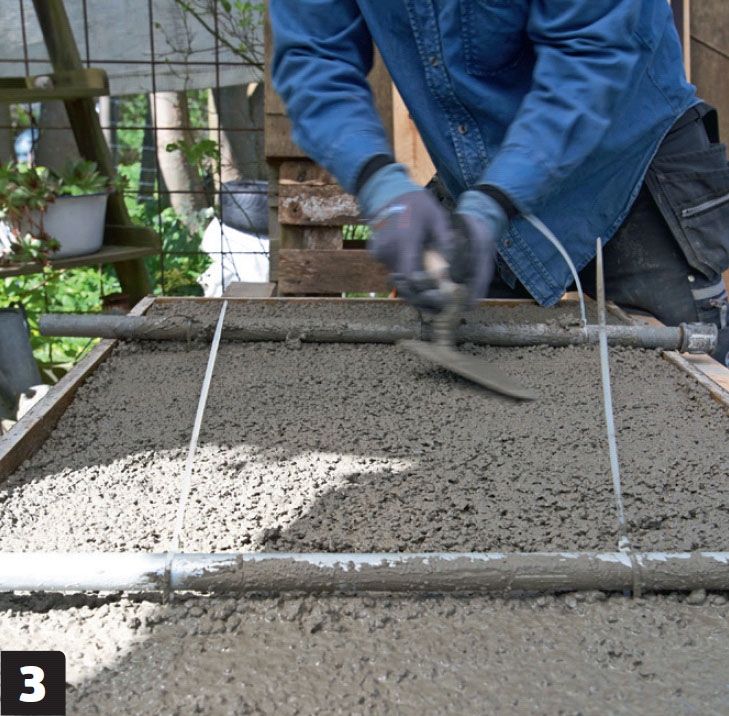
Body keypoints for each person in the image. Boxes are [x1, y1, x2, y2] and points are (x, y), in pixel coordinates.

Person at [270, 1, 729, 365]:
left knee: (681, 397)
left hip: (629, 163)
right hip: (477, 174)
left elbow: (590, 56)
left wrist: (495, 202)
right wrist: (379, 182)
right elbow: (313, 59)